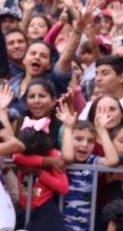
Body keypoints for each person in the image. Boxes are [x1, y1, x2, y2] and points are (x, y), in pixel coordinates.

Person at [56, 98, 119, 231]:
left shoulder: (92, 160)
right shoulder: (61, 159)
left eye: (90, 141)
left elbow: (112, 160)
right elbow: (67, 155)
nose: (84, 145)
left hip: (86, 226)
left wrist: (101, 131)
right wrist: (68, 127)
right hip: (63, 226)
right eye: (79, 139)